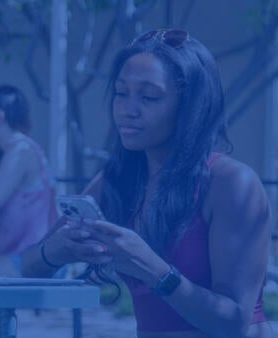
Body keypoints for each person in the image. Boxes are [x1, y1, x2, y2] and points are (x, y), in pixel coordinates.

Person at [21, 29, 274, 338]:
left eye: (149, 96)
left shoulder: (231, 183)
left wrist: (154, 270)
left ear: (189, 106)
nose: (128, 110)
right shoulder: (116, 181)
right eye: (120, 93)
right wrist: (56, 250)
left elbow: (233, 321)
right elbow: (30, 266)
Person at [0, 84, 58, 258]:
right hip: (22, 255)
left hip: (30, 259)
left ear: (0, 117)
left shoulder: (21, 152)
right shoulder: (17, 150)